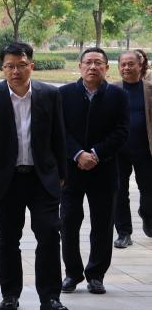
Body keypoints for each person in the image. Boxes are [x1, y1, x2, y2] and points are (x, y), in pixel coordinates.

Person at [0, 42, 68, 310]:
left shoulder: (50, 94)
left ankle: (50, 297)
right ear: (2, 69)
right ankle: (10, 295)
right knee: (8, 239)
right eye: (10, 66)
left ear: (31, 66)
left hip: (42, 178)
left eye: (21, 65)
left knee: (49, 234)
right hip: (6, 180)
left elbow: (59, 135)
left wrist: (62, 174)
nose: (16, 71)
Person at [59, 47, 129, 295]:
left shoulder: (118, 96)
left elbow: (122, 131)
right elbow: (59, 130)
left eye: (98, 63)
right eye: (88, 62)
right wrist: (78, 154)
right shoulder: (64, 94)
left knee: (102, 224)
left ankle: (96, 275)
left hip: (104, 170)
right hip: (71, 170)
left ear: (106, 68)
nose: (92, 67)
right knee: (68, 223)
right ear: (79, 66)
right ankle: (72, 273)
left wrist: (96, 154)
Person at [113, 51, 152, 248]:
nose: (126, 68)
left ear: (140, 66)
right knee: (119, 193)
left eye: (131, 64)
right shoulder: (111, 90)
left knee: (149, 191)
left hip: (145, 150)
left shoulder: (149, 89)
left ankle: (146, 214)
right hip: (118, 152)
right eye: (123, 64)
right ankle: (124, 232)